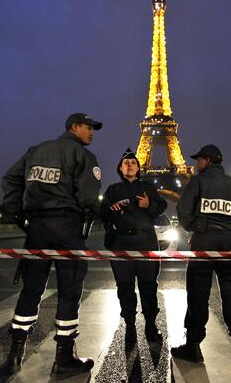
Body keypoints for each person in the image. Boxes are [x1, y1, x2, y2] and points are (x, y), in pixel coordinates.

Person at [1, 113, 103, 377]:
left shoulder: (36, 151)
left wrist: (16, 211)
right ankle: (64, 356)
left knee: (32, 288)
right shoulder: (82, 155)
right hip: (67, 227)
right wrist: (86, 211)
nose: (92, 132)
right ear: (74, 127)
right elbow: (89, 196)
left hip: (36, 228)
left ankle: (16, 351)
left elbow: (11, 178)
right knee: (69, 290)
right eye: (89, 127)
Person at [171, 144, 231, 362]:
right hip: (229, 242)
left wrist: (193, 227)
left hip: (204, 240)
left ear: (207, 161)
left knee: (198, 294)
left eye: (199, 161)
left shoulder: (198, 181)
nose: (196, 165)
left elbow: (184, 210)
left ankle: (193, 347)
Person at [100, 148, 167, 347]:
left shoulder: (148, 187)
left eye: (134, 163)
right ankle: (129, 326)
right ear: (120, 168)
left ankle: (150, 325)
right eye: (126, 163)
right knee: (125, 287)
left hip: (145, 242)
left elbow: (161, 207)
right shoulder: (112, 190)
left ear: (138, 168)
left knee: (149, 286)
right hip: (121, 242)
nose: (130, 165)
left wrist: (149, 205)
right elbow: (102, 215)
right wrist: (111, 211)